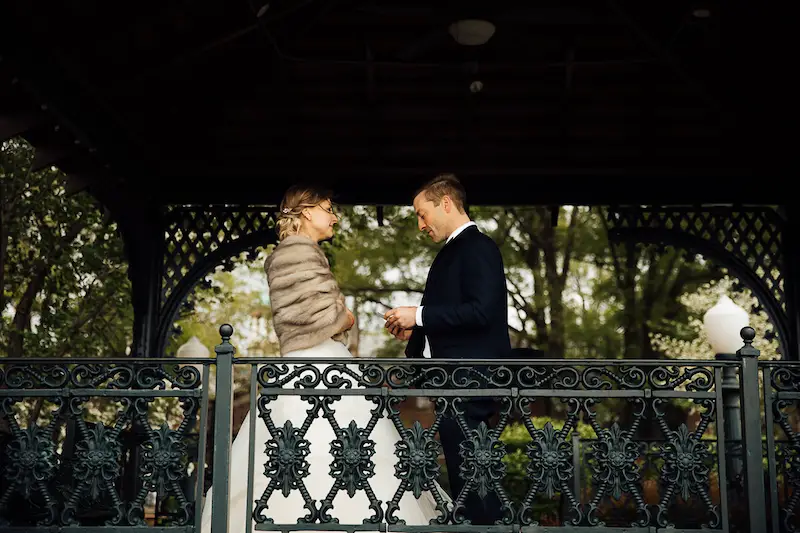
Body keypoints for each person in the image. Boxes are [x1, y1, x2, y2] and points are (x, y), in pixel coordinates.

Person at [200, 184, 450, 533]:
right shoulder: (298, 253)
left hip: (316, 362)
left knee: (331, 451)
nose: (334, 217)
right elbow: (319, 317)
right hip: (316, 364)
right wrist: (345, 318)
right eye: (328, 208)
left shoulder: (299, 252)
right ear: (306, 211)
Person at [384, 174, 511, 525]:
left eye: (423, 214)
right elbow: (450, 313)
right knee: (467, 474)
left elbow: (481, 311)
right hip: (456, 380)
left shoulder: (477, 247)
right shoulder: (453, 251)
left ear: (446, 203)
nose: (420, 225)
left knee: (472, 476)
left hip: (472, 379)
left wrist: (419, 314)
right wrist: (413, 326)